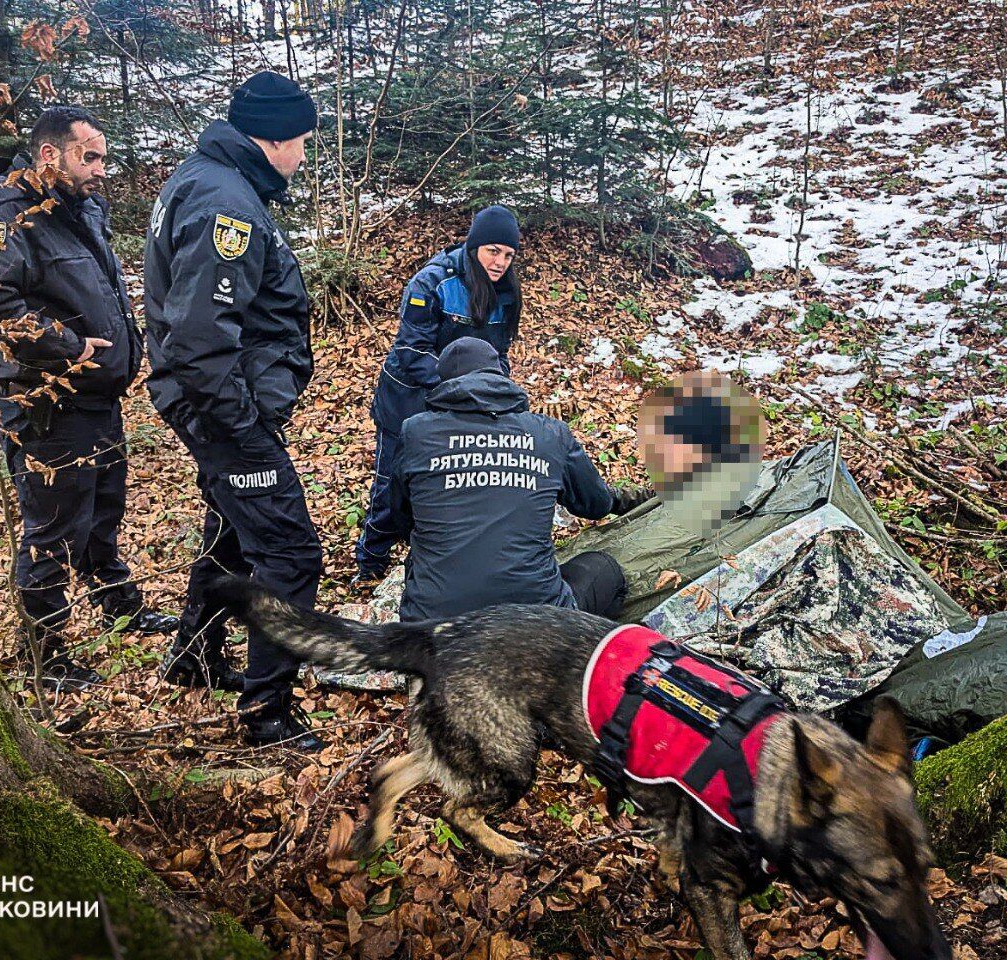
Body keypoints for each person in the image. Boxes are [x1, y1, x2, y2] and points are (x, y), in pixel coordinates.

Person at [0, 106, 179, 692]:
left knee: (104, 507)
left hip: (97, 394)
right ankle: (45, 652)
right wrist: (68, 345)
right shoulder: (2, 212)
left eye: (102, 156)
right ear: (50, 155)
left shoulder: (79, 207)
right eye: (90, 156)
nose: (101, 169)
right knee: (52, 527)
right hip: (45, 403)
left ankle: (118, 605)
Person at [142, 71, 324, 749]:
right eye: (301, 142)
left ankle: (192, 654)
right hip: (223, 412)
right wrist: (242, 426)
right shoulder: (226, 204)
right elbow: (200, 337)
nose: (303, 156)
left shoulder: (209, 178)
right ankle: (267, 713)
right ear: (272, 136)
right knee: (289, 551)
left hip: (217, 406)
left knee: (232, 529)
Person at [386, 337, 649, 621]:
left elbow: (400, 516)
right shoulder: (549, 434)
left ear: (445, 383)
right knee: (604, 570)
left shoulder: (415, 433)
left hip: (432, 625)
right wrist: (626, 500)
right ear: (499, 374)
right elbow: (595, 504)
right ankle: (585, 653)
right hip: (534, 623)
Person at [355, 205, 524, 583]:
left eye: (508, 255)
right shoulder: (432, 282)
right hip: (409, 401)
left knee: (448, 485)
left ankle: (433, 558)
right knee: (390, 484)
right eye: (493, 251)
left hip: (465, 403)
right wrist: (461, 389)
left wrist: (502, 393)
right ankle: (371, 561)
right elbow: (411, 353)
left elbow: (499, 355)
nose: (500, 262)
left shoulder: (507, 291)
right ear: (474, 246)